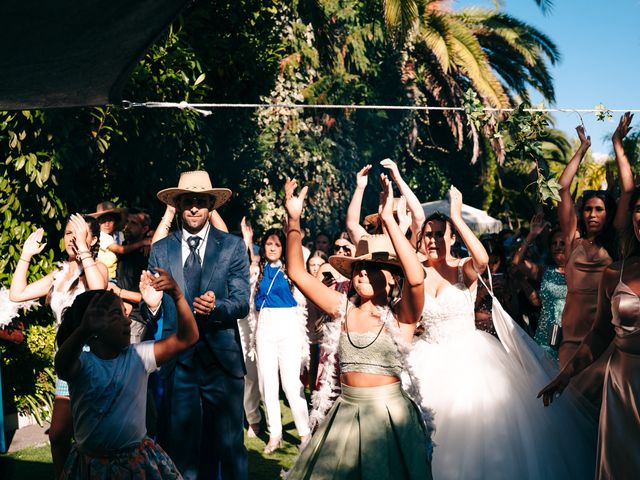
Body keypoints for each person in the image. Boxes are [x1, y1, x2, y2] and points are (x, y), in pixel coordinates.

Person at [411, 186, 596, 480]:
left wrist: (456, 217)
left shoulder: (462, 268)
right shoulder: (416, 272)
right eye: (428, 235)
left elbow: (483, 261)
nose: (433, 240)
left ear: (452, 238)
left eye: (439, 234)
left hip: (469, 358)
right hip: (427, 357)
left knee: (477, 432)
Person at [284, 176, 433, 479]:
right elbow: (297, 272)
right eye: (358, 267)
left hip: (390, 419)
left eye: (374, 267)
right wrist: (294, 219)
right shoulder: (342, 308)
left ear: (393, 277)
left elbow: (416, 278)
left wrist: (389, 220)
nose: (363, 271)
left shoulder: (401, 316)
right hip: (345, 414)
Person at [142, 170, 249, 480]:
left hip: (222, 363)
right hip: (180, 364)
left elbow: (242, 302)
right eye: (188, 201)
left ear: (210, 206)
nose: (193, 208)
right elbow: (151, 303)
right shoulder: (162, 249)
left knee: (230, 450)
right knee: (181, 451)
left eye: (200, 202)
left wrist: (218, 308)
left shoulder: (231, 246)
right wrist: (149, 305)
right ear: (178, 204)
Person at [55, 268, 198, 478]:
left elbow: (188, 337)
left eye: (124, 312)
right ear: (92, 324)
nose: (128, 321)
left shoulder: (139, 356)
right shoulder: (82, 364)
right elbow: (62, 364)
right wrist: (82, 331)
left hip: (137, 465)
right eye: (117, 314)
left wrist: (176, 294)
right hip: (91, 467)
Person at [539, 185, 640, 480]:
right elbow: (599, 334)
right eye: (637, 209)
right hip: (623, 385)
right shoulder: (615, 273)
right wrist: (565, 375)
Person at [9, 214, 108, 478]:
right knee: (58, 434)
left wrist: (84, 250)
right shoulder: (58, 275)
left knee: (93, 436)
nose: (73, 239)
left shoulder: (98, 269)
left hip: (93, 362)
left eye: (79, 233)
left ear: (94, 239)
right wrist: (26, 255)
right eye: (68, 233)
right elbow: (16, 294)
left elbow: (97, 290)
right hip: (66, 362)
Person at [557, 117, 633, 406]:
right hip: (569, 341)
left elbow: (628, 191)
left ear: (607, 213)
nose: (591, 214)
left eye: (599, 209)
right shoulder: (572, 240)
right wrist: (583, 148)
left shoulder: (615, 241)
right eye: (587, 209)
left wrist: (617, 143)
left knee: (599, 414)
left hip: (603, 342)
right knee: (568, 413)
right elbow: (563, 188)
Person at [253, 228, 310, 453]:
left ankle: (305, 433)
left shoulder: (291, 270)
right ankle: (274, 434)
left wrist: (291, 226)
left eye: (277, 244)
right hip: (264, 326)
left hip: (288, 324)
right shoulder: (257, 270)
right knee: (268, 383)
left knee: (290, 383)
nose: (273, 248)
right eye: (269, 244)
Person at [512, 214, 567, 359]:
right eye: (554, 244)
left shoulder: (579, 273)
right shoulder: (545, 271)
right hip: (544, 339)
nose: (557, 247)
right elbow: (516, 263)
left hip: (569, 339)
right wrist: (531, 235)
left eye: (562, 243)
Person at [107, 207, 152, 342]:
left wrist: (119, 292)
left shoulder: (148, 255)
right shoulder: (121, 247)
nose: (127, 226)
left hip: (134, 321)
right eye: (126, 222)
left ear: (144, 229)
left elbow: (148, 297)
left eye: (134, 223)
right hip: (112, 317)